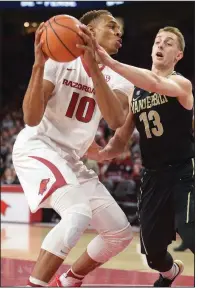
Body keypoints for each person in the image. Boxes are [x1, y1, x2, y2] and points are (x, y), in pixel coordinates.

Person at [12, 10, 134, 287]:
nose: (119, 32)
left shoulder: (121, 78)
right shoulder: (59, 61)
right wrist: (38, 65)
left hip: (70, 159)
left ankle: (67, 281)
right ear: (88, 31)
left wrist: (94, 66)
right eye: (111, 26)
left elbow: (115, 119)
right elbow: (31, 119)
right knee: (78, 213)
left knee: (119, 233)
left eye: (120, 28)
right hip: (38, 147)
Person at [92, 26, 194, 287]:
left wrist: (109, 62)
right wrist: (95, 152)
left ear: (178, 55)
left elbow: (156, 83)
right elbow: (119, 140)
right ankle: (170, 273)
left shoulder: (182, 83)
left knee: (191, 232)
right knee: (152, 254)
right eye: (157, 41)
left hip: (184, 172)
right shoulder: (136, 92)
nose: (161, 45)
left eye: (168, 43)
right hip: (152, 177)